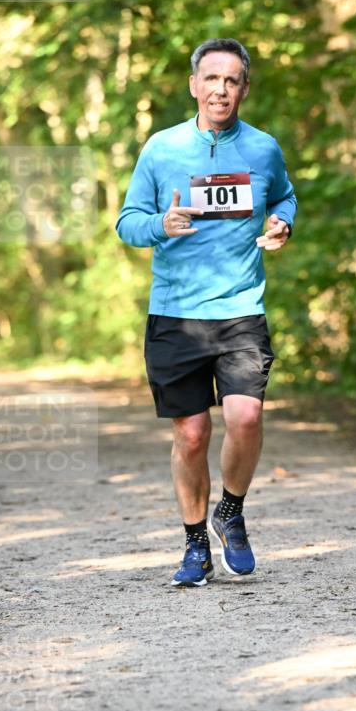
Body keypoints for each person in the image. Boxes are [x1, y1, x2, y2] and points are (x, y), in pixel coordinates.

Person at [115, 38, 297, 588]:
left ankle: (231, 511)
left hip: (241, 308)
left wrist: (282, 223)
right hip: (175, 313)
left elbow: (284, 196)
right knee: (191, 436)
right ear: (194, 85)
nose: (221, 88)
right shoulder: (161, 149)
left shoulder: (263, 149)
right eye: (211, 78)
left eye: (233, 80)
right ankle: (195, 544)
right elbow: (127, 221)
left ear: (244, 88)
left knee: (245, 418)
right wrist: (159, 226)